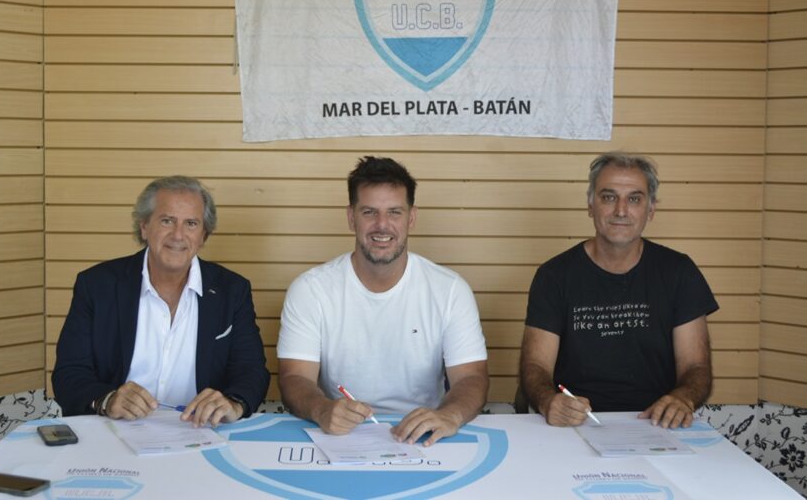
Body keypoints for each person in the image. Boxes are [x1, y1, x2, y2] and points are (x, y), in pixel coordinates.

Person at [277, 156, 489, 446]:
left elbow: (471, 378)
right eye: (369, 212)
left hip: (427, 435)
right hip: (340, 435)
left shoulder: (450, 289)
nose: (382, 225)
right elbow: (294, 377)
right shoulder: (310, 289)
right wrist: (321, 408)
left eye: (394, 212)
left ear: (411, 217)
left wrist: (450, 415)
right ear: (351, 217)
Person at [519, 152, 718, 429]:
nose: (621, 210)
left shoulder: (679, 272)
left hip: (657, 423)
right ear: (590, 205)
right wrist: (547, 400)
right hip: (575, 424)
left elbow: (696, 368)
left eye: (634, 199)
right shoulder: (554, 276)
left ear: (650, 209)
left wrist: (682, 398)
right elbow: (535, 367)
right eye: (609, 197)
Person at [52, 176, 269, 427]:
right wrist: (107, 400)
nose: (178, 235)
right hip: (113, 430)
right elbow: (69, 373)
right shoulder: (96, 285)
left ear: (203, 235)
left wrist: (233, 403)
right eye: (167, 221)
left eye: (191, 223)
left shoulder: (232, 290)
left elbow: (252, 371)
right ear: (144, 226)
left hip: (199, 432)